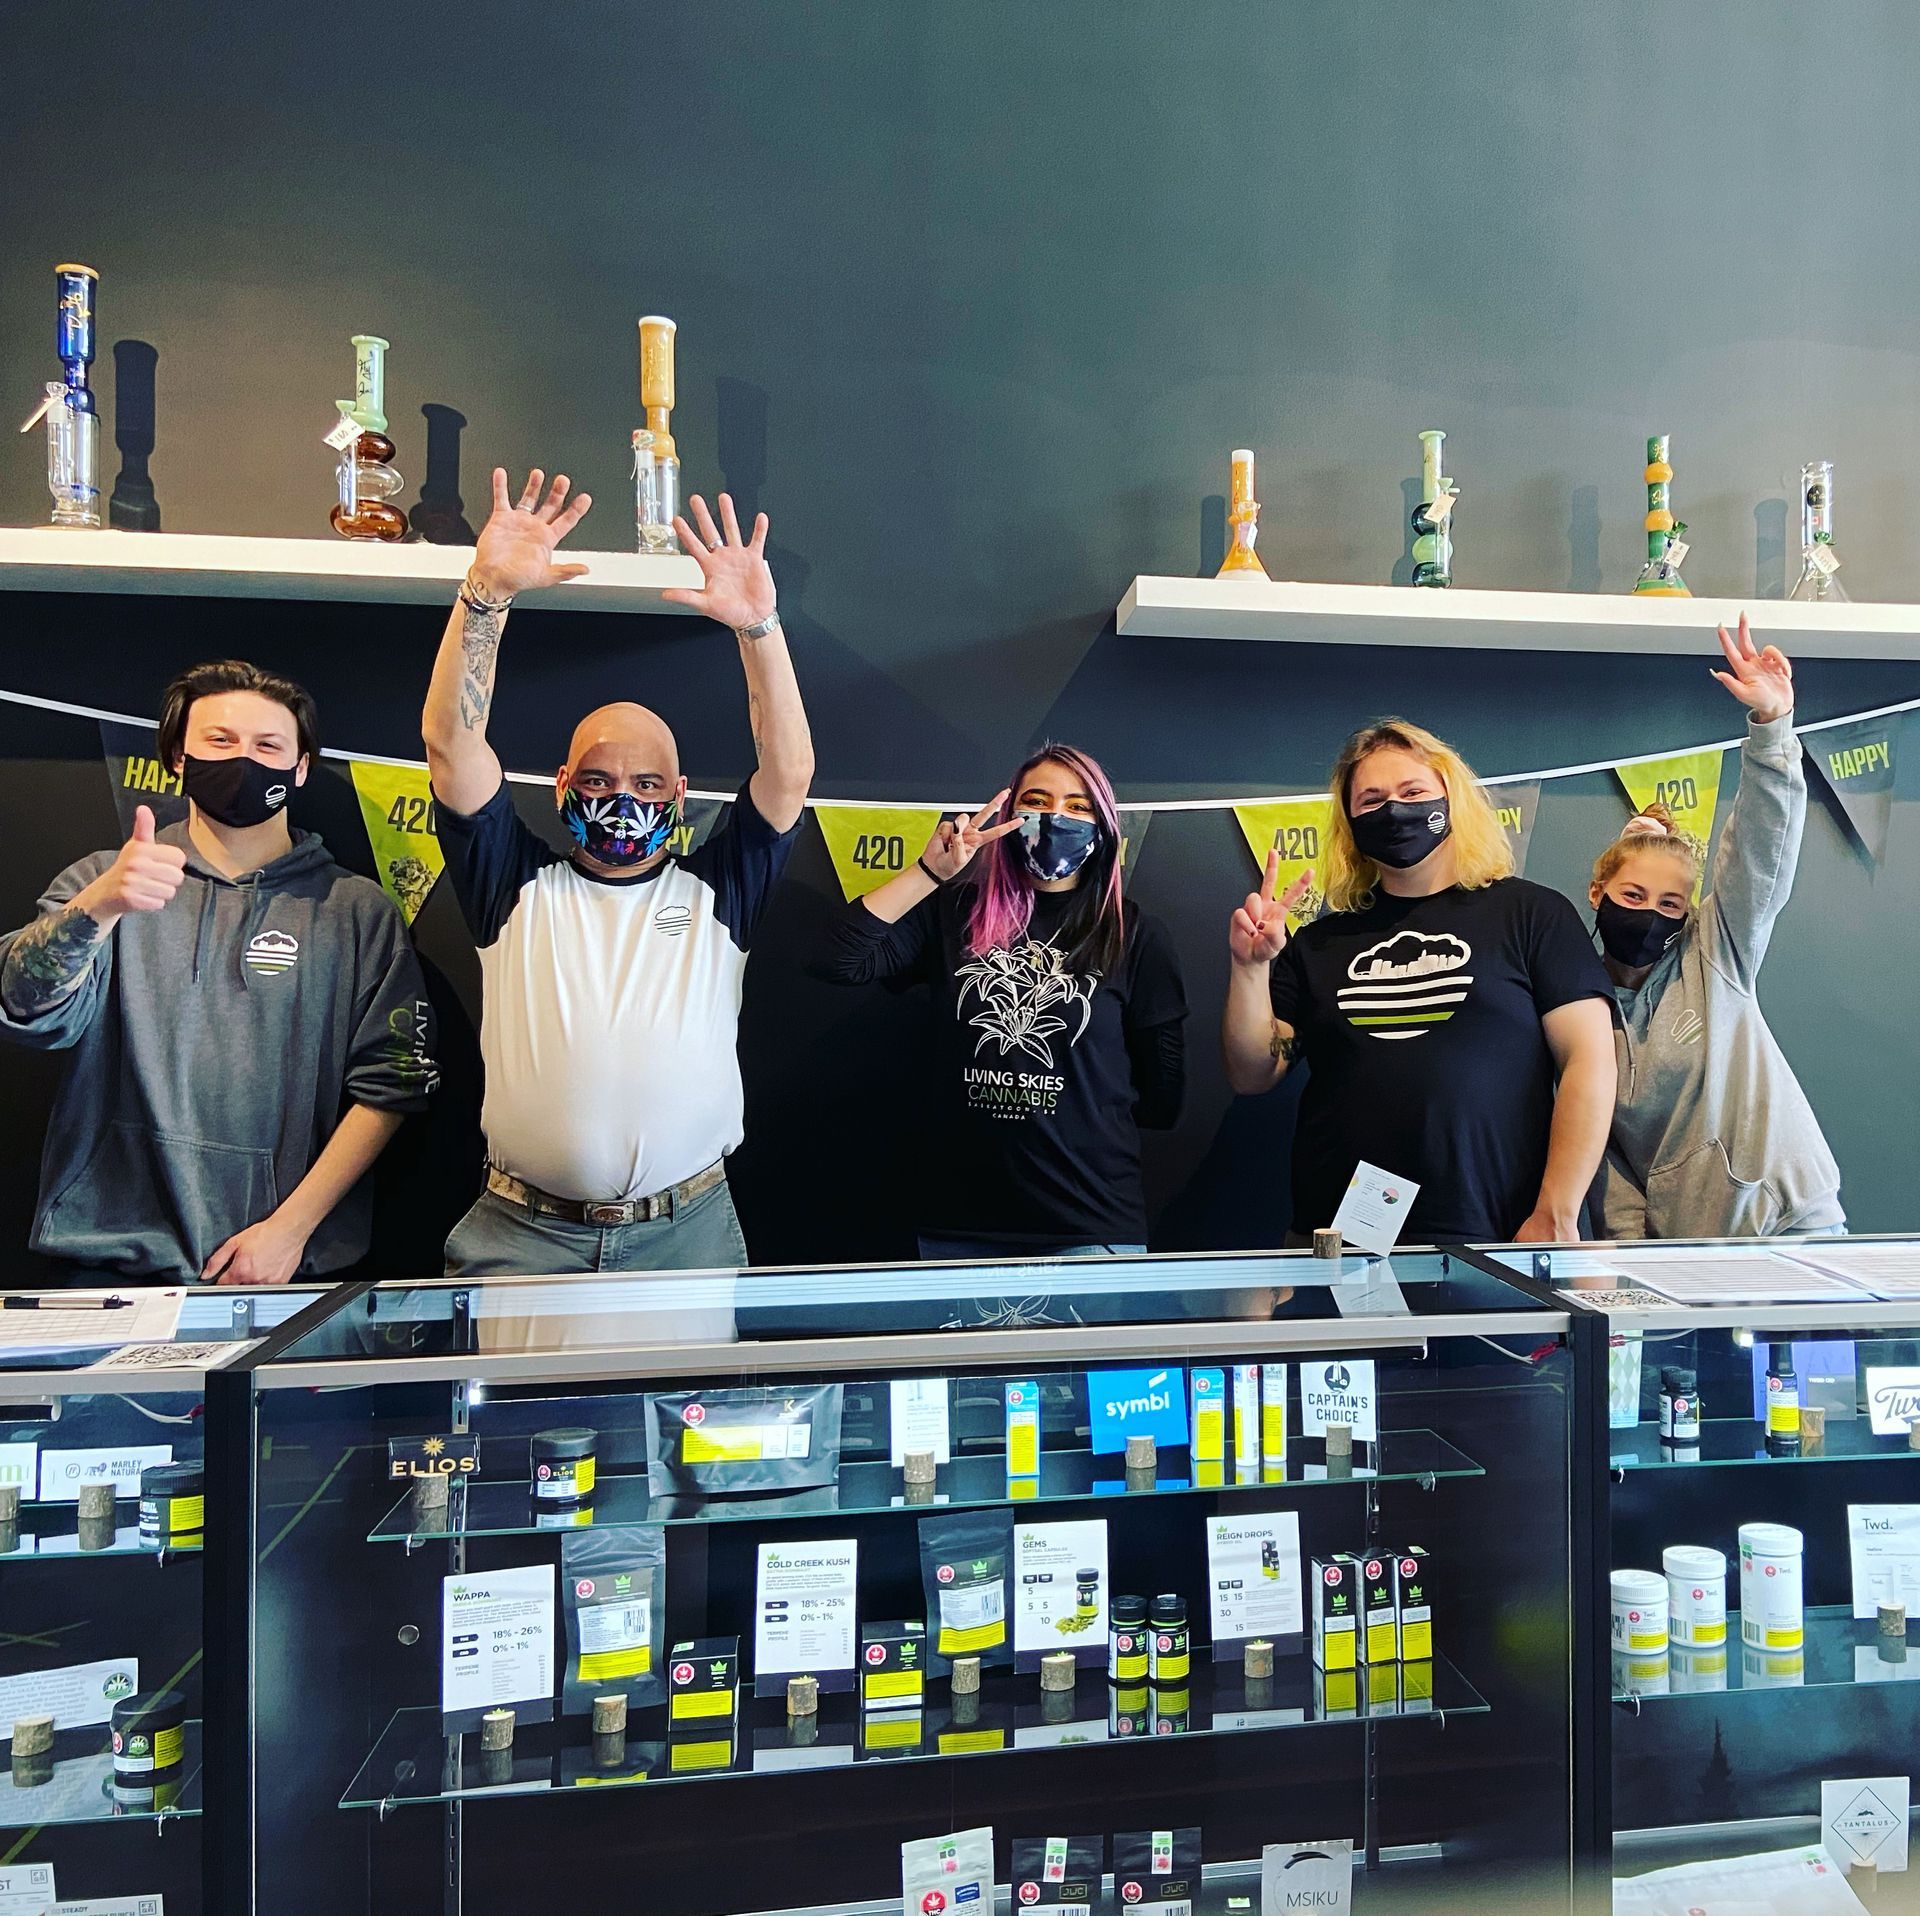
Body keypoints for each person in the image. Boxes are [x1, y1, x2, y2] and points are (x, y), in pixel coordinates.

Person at [424, 468, 813, 1277]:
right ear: (563, 789)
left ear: (678, 796)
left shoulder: (720, 892)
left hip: (687, 1230)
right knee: (512, 1412)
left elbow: (788, 773)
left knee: (688, 1412)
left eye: (644, 786)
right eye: (597, 782)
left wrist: (760, 628)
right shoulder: (511, 884)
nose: (620, 801)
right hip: (525, 1235)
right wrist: (485, 594)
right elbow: (452, 748)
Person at [0, 660, 438, 1282]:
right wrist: (99, 906)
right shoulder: (103, 881)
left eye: (269, 746)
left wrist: (290, 1229)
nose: (245, 760)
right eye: (220, 741)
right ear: (178, 757)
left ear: (301, 766)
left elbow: (393, 1086)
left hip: (282, 1267)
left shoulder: (357, 911)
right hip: (110, 1257)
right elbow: (25, 1006)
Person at [1222, 718, 1615, 1244]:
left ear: (1451, 798)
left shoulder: (1531, 914)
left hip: (1501, 1232)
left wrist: (1557, 1211)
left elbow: (1589, 1060)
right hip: (1339, 1241)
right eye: (1371, 800)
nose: (1394, 810)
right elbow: (1254, 1072)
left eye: (1413, 792)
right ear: (1350, 822)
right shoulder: (1321, 943)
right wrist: (1250, 969)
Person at [819, 743, 1187, 1258]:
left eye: (1078, 806)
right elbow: (838, 960)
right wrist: (927, 874)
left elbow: (1163, 1096)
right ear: (1009, 817)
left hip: (1089, 1226)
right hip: (960, 1225)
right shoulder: (955, 912)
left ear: (1104, 827)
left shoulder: (1134, 933)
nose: (1056, 818)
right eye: (1036, 801)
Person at [1588, 618, 1842, 1237]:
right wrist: (1632, 1254)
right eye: (1633, 895)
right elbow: (1601, 1153)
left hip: (1788, 1223)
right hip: (1683, 1256)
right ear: (1598, 893)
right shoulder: (1575, 999)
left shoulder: (1714, 954)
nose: (1651, 913)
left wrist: (1771, 729)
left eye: (1672, 904)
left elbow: (1760, 849)